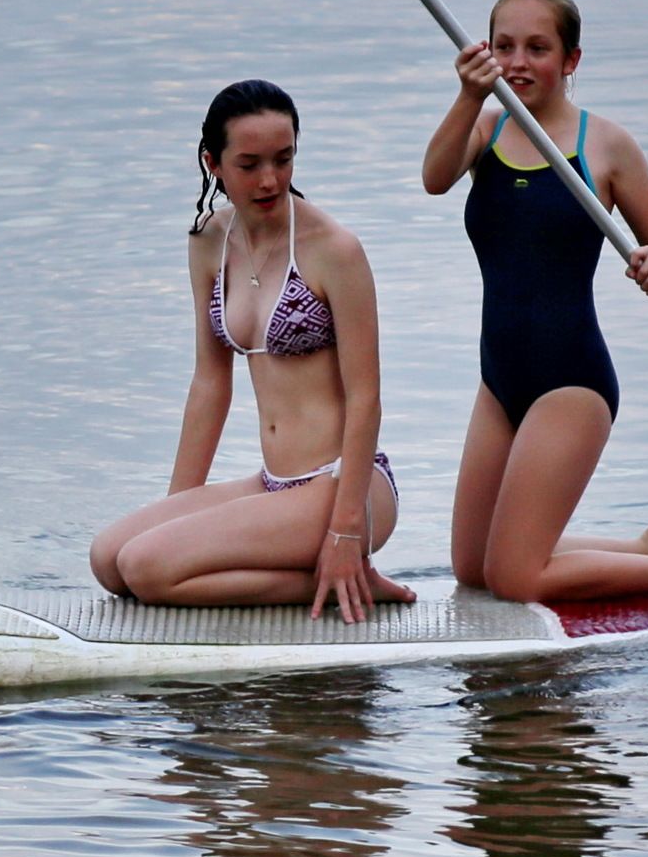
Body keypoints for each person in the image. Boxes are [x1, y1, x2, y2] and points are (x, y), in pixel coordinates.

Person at [419, 0, 648, 604]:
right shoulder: (485, 127)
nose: (518, 62)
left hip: (571, 383)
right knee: (472, 568)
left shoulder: (604, 144)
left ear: (571, 59)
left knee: (514, 579)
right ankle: (645, 549)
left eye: (538, 48)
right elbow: (434, 178)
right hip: (498, 380)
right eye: (504, 46)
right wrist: (468, 94)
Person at [92, 80, 412, 620]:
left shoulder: (333, 250)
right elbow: (210, 383)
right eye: (249, 164)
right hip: (273, 485)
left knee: (147, 569)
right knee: (110, 560)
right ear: (213, 164)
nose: (270, 180)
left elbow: (366, 397)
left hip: (346, 484)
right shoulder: (208, 241)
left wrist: (345, 529)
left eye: (283, 160)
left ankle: (350, 573)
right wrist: (177, 511)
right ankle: (330, 577)